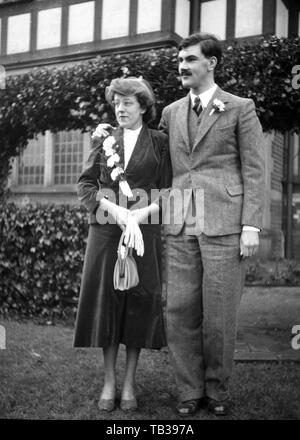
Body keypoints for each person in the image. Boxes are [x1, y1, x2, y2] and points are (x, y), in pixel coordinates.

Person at [158, 32, 265, 416]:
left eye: (189, 59)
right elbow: (162, 166)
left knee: (219, 314)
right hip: (181, 222)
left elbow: (255, 169)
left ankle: (217, 390)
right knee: (180, 311)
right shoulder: (171, 112)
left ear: (212, 63)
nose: (182, 66)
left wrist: (251, 225)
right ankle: (190, 389)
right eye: (180, 60)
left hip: (225, 223)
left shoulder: (240, 107)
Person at [73, 77, 172, 413]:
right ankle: (109, 382)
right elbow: (86, 186)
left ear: (143, 106)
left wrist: (139, 216)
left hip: (143, 231)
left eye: (128, 102)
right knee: (109, 302)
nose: (120, 108)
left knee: (139, 302)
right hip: (106, 231)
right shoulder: (103, 139)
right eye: (116, 102)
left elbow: (169, 190)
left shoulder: (159, 142)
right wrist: (115, 211)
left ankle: (129, 383)